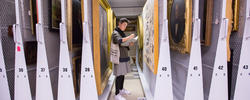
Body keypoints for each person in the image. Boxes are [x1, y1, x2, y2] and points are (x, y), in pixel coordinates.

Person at [111, 18, 135, 100]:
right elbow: (119, 41)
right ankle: (117, 94)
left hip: (124, 56)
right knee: (118, 75)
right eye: (124, 25)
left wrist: (130, 43)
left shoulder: (121, 33)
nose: (125, 27)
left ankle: (121, 89)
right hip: (119, 57)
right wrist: (129, 37)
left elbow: (124, 43)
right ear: (119, 23)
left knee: (123, 74)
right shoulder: (115, 33)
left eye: (126, 25)